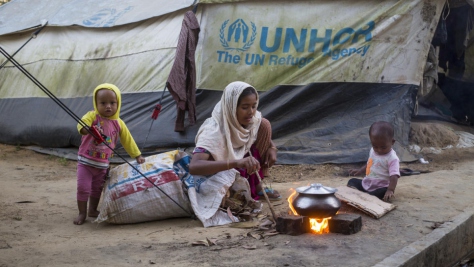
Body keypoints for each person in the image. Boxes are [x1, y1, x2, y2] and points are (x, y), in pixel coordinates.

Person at [189, 81, 281, 201]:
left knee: (264, 124)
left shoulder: (250, 120)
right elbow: (194, 166)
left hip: (240, 165)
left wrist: (272, 148)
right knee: (234, 200)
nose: (251, 112)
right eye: (245, 107)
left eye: (254, 106)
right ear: (231, 107)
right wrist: (236, 162)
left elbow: (260, 132)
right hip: (220, 173)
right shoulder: (213, 130)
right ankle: (236, 191)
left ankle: (257, 186)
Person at [73, 83, 145, 225]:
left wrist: (137, 155)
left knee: (96, 190)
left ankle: (92, 210)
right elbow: (81, 126)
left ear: (118, 103)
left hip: (103, 165)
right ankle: (82, 213)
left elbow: (127, 140)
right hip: (85, 162)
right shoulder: (92, 116)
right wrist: (88, 129)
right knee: (83, 188)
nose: (108, 106)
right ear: (96, 103)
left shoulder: (118, 123)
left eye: (112, 103)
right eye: (103, 103)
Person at [347, 121, 400, 202]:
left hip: (381, 186)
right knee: (352, 181)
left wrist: (390, 190)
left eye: (383, 147)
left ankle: (367, 196)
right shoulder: (372, 151)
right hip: (367, 183)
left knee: (380, 192)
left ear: (392, 142)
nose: (379, 150)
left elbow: (394, 176)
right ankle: (366, 194)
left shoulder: (392, 158)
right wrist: (360, 170)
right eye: (375, 146)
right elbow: (370, 163)